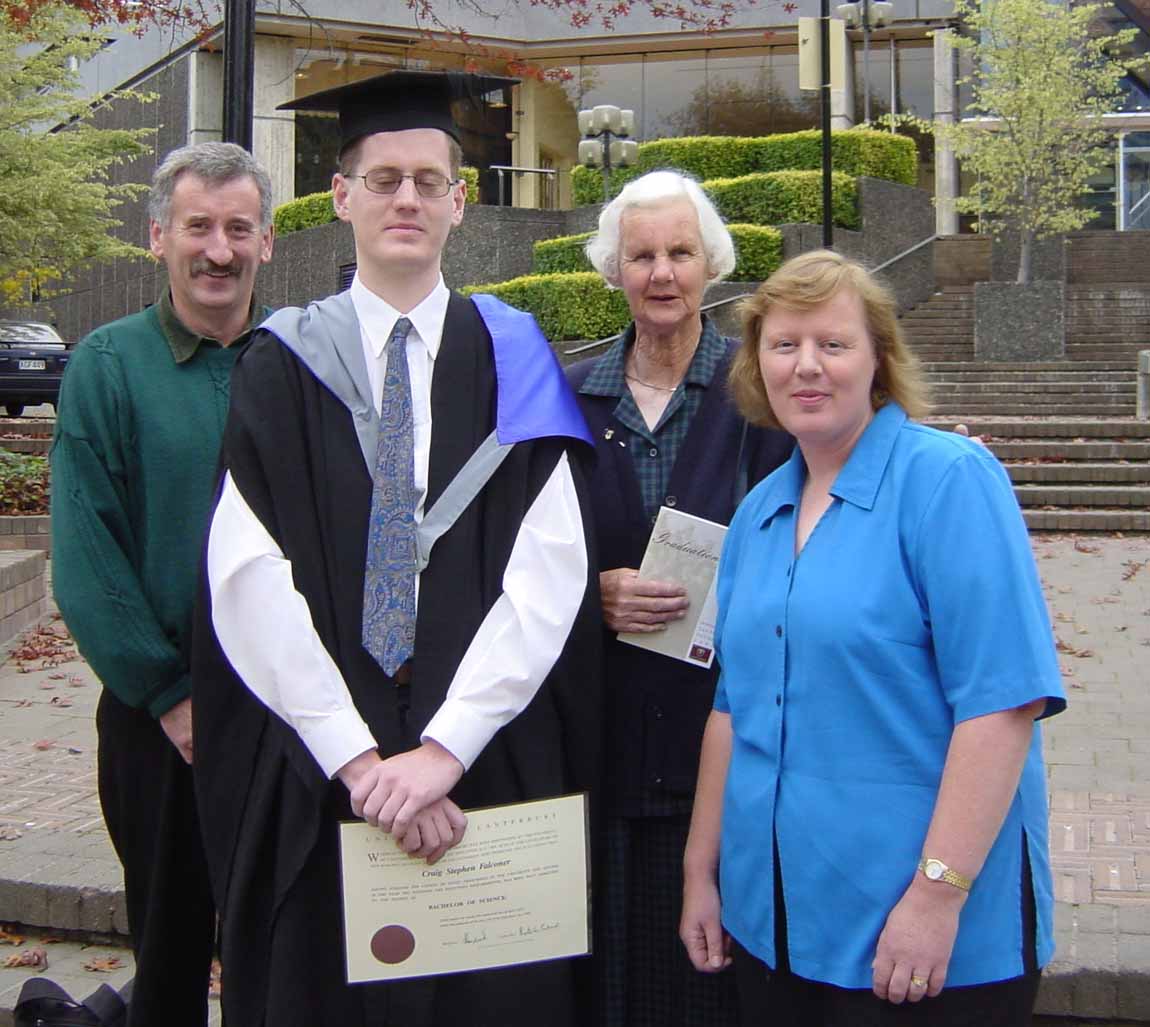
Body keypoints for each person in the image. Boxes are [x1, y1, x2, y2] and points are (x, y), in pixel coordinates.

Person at [191, 70, 602, 1027]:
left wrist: (444, 752)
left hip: (484, 770)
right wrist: (363, 761)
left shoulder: (518, 358)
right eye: (383, 179)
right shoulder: (280, 363)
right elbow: (246, 576)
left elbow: (551, 576)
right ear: (340, 197)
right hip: (324, 772)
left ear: (462, 202)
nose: (407, 198)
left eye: (429, 179)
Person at [680, 250, 1065, 1026]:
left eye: (833, 343)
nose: (806, 366)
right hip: (775, 926)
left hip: (921, 939)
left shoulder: (947, 480)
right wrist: (700, 869)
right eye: (784, 345)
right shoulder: (757, 513)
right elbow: (733, 705)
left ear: (878, 358)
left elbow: (1001, 705)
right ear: (757, 365)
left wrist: (934, 896)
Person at [51, 142, 276, 1027]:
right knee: (172, 952)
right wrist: (169, 692)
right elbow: (86, 557)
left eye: (236, 228)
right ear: (158, 236)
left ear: (263, 240)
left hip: (288, 714)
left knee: (277, 944)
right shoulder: (110, 367)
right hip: (161, 724)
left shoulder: (300, 358)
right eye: (197, 227)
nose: (217, 250)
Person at [566, 170, 793, 1027]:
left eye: (681, 253)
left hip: (725, 736)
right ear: (615, 270)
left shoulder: (759, 391)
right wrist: (592, 595)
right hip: (605, 738)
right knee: (611, 972)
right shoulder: (570, 397)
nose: (662, 274)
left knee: (707, 984)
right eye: (642, 256)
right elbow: (527, 559)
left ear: (711, 265)